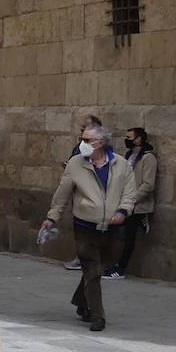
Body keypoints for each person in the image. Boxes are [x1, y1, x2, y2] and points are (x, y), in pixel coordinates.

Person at [41, 124, 137, 332]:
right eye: (81, 139)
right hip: (85, 225)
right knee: (92, 268)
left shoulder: (121, 165)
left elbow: (130, 192)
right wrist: (52, 217)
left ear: (100, 143)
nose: (82, 144)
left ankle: (81, 300)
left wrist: (123, 211)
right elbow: (62, 193)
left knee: (102, 265)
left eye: (87, 140)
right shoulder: (76, 164)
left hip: (113, 227)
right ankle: (97, 315)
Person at [108, 127, 158, 279]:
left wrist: (131, 199)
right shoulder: (129, 155)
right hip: (124, 202)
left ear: (138, 139)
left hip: (136, 205)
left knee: (129, 236)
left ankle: (121, 269)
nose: (127, 139)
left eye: (129, 137)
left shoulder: (148, 158)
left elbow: (148, 185)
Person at [63, 113, 104, 271]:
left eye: (85, 126)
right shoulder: (79, 146)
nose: (81, 128)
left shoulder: (100, 148)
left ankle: (88, 258)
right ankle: (82, 257)